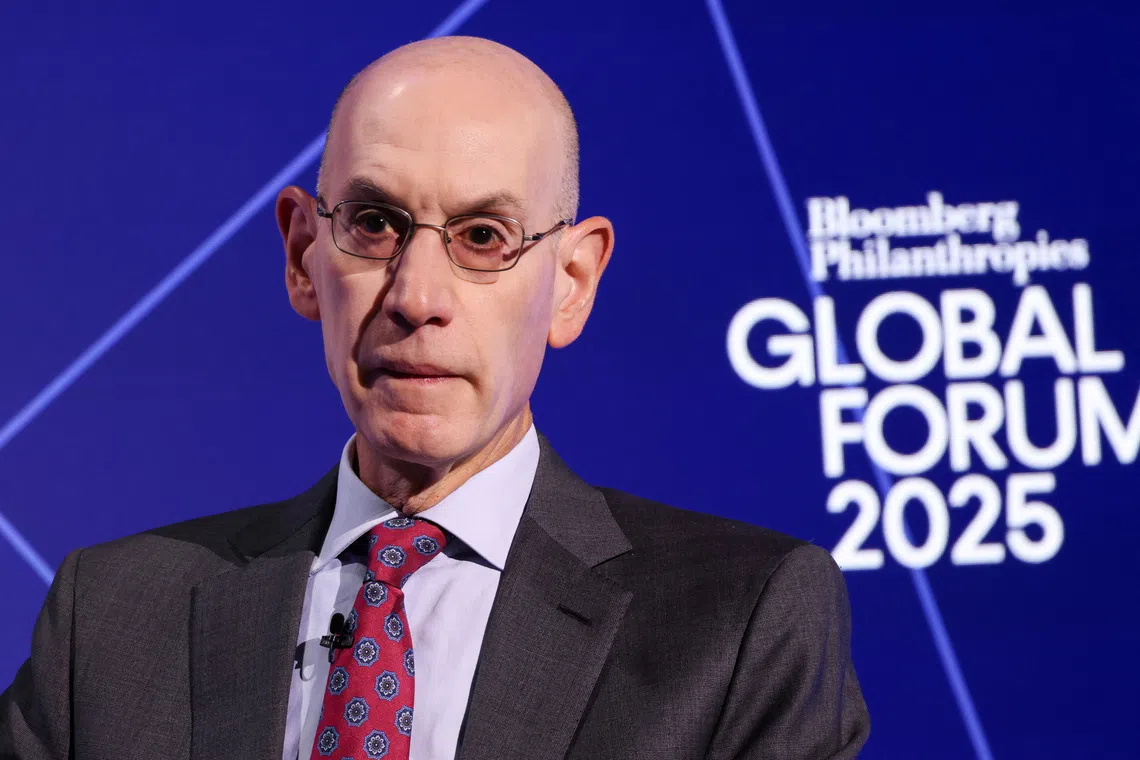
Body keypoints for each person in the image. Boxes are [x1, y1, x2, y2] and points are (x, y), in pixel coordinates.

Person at [0, 36, 869, 760]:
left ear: (570, 281)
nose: (416, 294)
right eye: (374, 223)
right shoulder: (108, 619)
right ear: (304, 254)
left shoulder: (741, 624)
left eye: (484, 237)